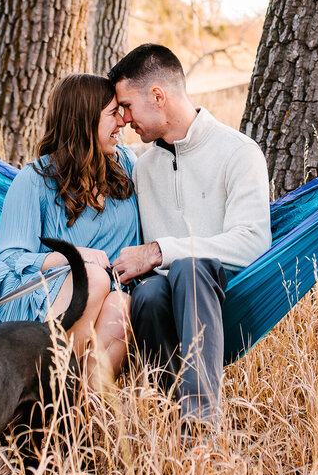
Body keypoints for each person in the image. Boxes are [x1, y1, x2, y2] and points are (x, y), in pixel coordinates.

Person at [108, 44, 271, 437]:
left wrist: (162, 251)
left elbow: (253, 243)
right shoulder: (142, 168)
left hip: (226, 296)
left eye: (127, 106)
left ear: (158, 96)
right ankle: (170, 419)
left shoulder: (238, 153)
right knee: (147, 295)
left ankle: (201, 427)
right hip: (161, 302)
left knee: (190, 268)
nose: (125, 119)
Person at [0, 74, 137, 386]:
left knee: (123, 305)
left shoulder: (127, 166)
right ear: (84, 120)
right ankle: (45, 387)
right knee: (91, 276)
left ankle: (76, 410)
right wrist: (72, 257)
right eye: (113, 113)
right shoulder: (34, 180)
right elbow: (10, 261)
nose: (123, 122)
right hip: (46, 301)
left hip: (113, 295)